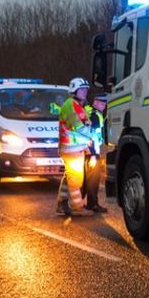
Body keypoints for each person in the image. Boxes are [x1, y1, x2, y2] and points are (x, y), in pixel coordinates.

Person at [56, 77, 95, 217]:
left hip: (74, 147)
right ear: (74, 90)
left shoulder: (75, 104)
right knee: (76, 179)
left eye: (86, 89)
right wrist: (91, 136)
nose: (85, 92)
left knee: (69, 177)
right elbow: (78, 126)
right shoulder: (70, 105)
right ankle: (77, 207)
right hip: (71, 148)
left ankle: (62, 203)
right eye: (82, 89)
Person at [82, 94, 108, 213]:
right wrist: (93, 154)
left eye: (105, 104)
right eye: (102, 103)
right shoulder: (95, 115)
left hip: (87, 151)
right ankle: (92, 204)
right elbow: (91, 135)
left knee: (87, 179)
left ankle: (77, 202)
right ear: (95, 102)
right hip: (91, 152)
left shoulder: (90, 112)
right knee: (93, 179)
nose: (104, 106)